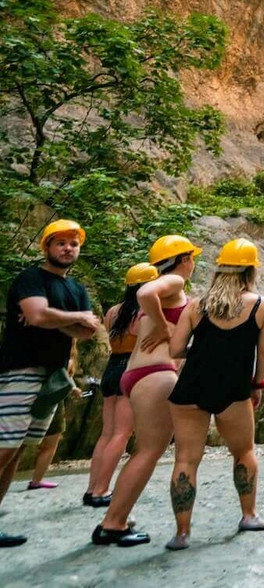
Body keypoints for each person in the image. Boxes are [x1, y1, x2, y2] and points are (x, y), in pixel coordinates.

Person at [164, 237, 264, 550]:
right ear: (251, 271)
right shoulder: (260, 306)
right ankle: (248, 515)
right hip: (233, 389)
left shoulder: (197, 305)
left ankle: (182, 533)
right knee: (243, 452)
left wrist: (203, 350)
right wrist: (258, 384)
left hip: (191, 387)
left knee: (186, 458)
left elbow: (175, 348)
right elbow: (263, 353)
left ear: (219, 270)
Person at [94, 233, 200, 547]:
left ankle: (116, 516)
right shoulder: (173, 283)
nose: (193, 263)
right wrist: (167, 327)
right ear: (184, 260)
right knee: (148, 452)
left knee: (144, 451)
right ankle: (112, 523)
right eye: (191, 257)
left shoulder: (173, 290)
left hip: (137, 373)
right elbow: (145, 293)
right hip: (154, 374)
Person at [0, 219, 100, 548]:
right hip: (20, 370)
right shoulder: (31, 278)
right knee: (5, 447)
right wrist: (69, 318)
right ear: (47, 247)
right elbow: (42, 315)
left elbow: (86, 332)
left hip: (53, 377)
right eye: (61, 243)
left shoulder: (77, 289)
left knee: (16, 453)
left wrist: (53, 318)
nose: (68, 248)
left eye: (73, 243)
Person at [83, 261, 159, 507]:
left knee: (108, 433)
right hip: (131, 368)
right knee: (122, 433)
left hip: (111, 368)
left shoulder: (113, 311)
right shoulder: (144, 313)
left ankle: (92, 488)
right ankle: (102, 491)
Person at [25, 346, 79, 490]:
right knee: (24, 444)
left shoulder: (69, 352)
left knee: (50, 443)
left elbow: (65, 376)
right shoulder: (59, 350)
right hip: (44, 398)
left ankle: (37, 480)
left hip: (53, 399)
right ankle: (35, 480)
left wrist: (72, 387)